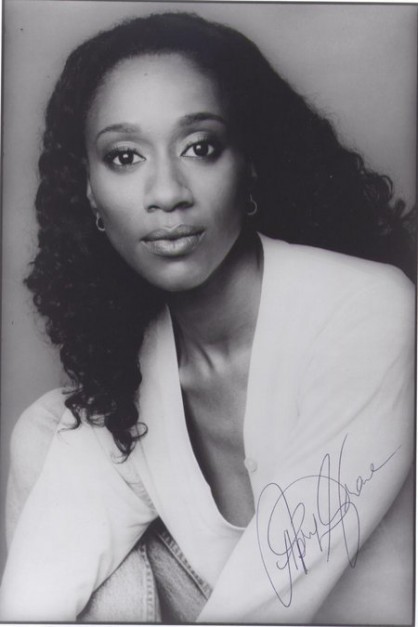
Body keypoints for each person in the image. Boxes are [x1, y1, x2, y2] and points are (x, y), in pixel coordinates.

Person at [0, 11, 415, 624]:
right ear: (89, 192)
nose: (167, 192)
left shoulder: (365, 311)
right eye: (124, 157)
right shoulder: (128, 378)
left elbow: (263, 607)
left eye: (200, 147)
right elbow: (31, 601)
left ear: (248, 162)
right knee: (49, 429)